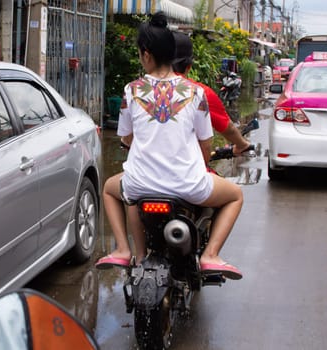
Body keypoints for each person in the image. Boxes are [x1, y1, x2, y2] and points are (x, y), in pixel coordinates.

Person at [95, 12, 244, 280]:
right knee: (235, 195)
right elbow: (205, 143)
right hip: (188, 186)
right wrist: (203, 164)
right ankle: (210, 255)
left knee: (110, 189)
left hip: (140, 184)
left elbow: (127, 139)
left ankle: (124, 249)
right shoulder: (195, 92)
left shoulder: (132, 91)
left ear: (146, 54)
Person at [171, 31, 251, 161]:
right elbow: (223, 133)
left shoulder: (137, 90)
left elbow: (127, 139)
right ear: (189, 66)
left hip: (143, 173)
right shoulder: (199, 93)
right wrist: (242, 144)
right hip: (184, 173)